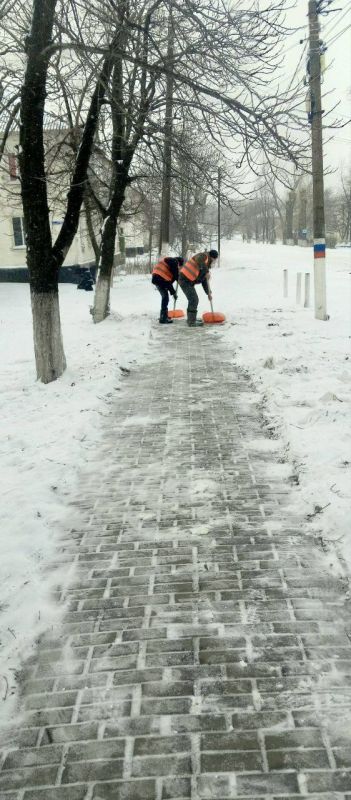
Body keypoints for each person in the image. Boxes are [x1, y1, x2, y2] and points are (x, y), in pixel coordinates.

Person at [179, 249, 218, 326]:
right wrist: (206, 271)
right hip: (184, 279)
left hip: (188, 281)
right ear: (212, 257)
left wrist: (208, 293)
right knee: (194, 299)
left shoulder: (205, 265)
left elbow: (204, 281)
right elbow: (198, 259)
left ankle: (191, 319)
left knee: (193, 299)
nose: (214, 262)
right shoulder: (204, 256)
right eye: (214, 260)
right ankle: (191, 322)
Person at [152, 256, 184, 324]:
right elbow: (174, 278)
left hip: (156, 278)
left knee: (165, 297)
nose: (178, 268)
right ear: (179, 263)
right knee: (165, 297)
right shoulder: (174, 262)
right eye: (179, 266)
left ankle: (164, 316)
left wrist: (173, 291)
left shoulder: (168, 262)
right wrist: (174, 293)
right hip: (160, 278)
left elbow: (169, 280)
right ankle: (163, 318)